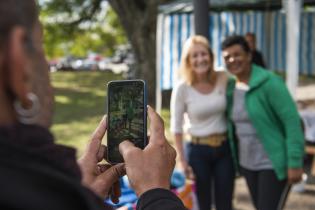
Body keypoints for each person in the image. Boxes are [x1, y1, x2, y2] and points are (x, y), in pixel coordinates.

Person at [0, 1, 186, 210]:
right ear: (20, 63)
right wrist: (156, 193)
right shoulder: (43, 191)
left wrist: (83, 195)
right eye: (42, 47)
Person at [221, 35, 304, 210]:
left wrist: (295, 162)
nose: (232, 60)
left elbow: (292, 123)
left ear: (249, 56)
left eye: (237, 54)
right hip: (247, 164)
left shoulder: (270, 83)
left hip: (272, 163)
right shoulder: (230, 88)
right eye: (227, 57)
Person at [170, 35, 235, 210]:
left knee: (225, 203)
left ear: (211, 56)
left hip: (224, 149)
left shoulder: (223, 77)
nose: (200, 59)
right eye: (195, 55)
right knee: (202, 203)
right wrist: (182, 162)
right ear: (188, 60)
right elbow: (176, 127)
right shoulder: (182, 87)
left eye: (203, 54)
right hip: (197, 151)